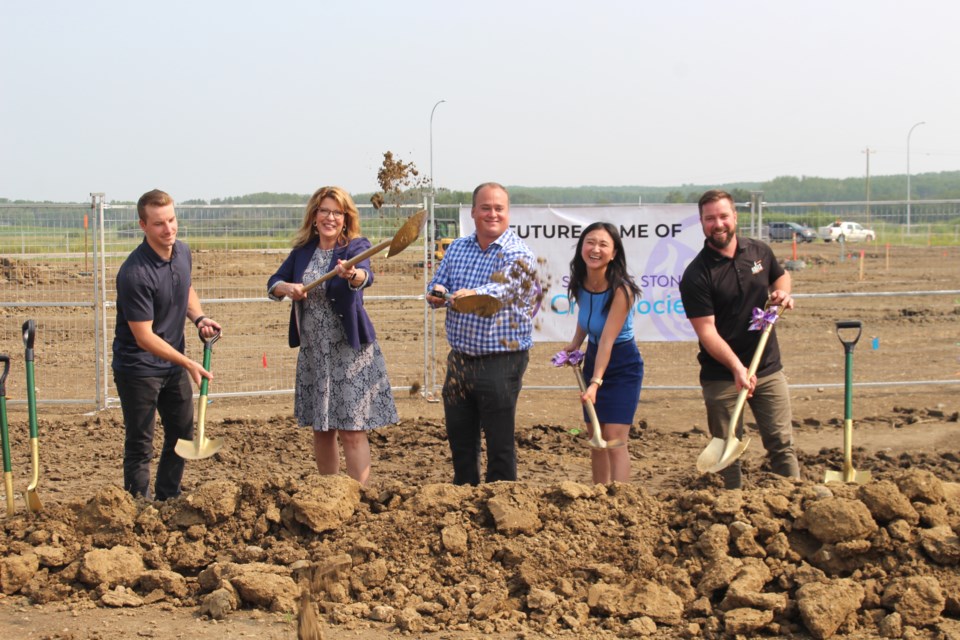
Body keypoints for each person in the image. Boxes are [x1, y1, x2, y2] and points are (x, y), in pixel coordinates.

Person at [267, 186, 397, 486]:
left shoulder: (354, 248)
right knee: (322, 429)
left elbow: (366, 275)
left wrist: (352, 275)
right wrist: (287, 288)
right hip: (315, 352)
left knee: (352, 429)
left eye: (337, 212)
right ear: (314, 216)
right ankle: (328, 493)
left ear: (346, 218)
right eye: (324, 211)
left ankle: (358, 496)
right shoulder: (302, 253)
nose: (330, 217)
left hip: (348, 352)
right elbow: (273, 282)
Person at [679, 189, 800, 489]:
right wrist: (736, 368)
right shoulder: (697, 274)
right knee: (727, 448)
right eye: (710, 219)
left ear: (735, 217)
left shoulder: (759, 251)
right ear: (701, 222)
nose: (717, 224)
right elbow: (707, 331)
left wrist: (783, 292)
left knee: (781, 443)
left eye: (723, 216)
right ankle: (731, 509)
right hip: (721, 375)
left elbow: (780, 276)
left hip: (767, 366)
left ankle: (795, 501)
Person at [112, 189, 222, 501]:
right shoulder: (134, 273)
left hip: (172, 363)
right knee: (140, 442)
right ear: (143, 226)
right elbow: (143, 337)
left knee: (182, 432)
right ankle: (137, 506)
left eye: (172, 219)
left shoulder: (181, 252)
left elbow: (185, 287)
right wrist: (187, 363)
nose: (168, 228)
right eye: (159, 223)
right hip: (138, 369)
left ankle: (168, 496)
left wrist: (199, 319)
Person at [426, 182, 538, 486]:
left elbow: (505, 288)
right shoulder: (458, 248)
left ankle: (502, 504)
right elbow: (440, 281)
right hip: (461, 359)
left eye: (499, 208)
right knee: (460, 437)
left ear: (508, 213)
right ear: (473, 211)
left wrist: (473, 293)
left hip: (502, 359)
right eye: (485, 207)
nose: (492, 214)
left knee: (499, 441)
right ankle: (464, 496)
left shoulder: (518, 253)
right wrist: (436, 293)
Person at [561, 222, 644, 484]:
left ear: (614, 253)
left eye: (603, 244)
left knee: (614, 439)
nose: (595, 249)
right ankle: (598, 498)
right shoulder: (580, 280)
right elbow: (586, 318)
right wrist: (575, 343)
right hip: (594, 356)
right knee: (596, 437)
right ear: (581, 247)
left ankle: (620, 501)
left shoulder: (622, 290)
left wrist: (595, 383)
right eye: (590, 242)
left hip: (621, 364)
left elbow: (608, 340)